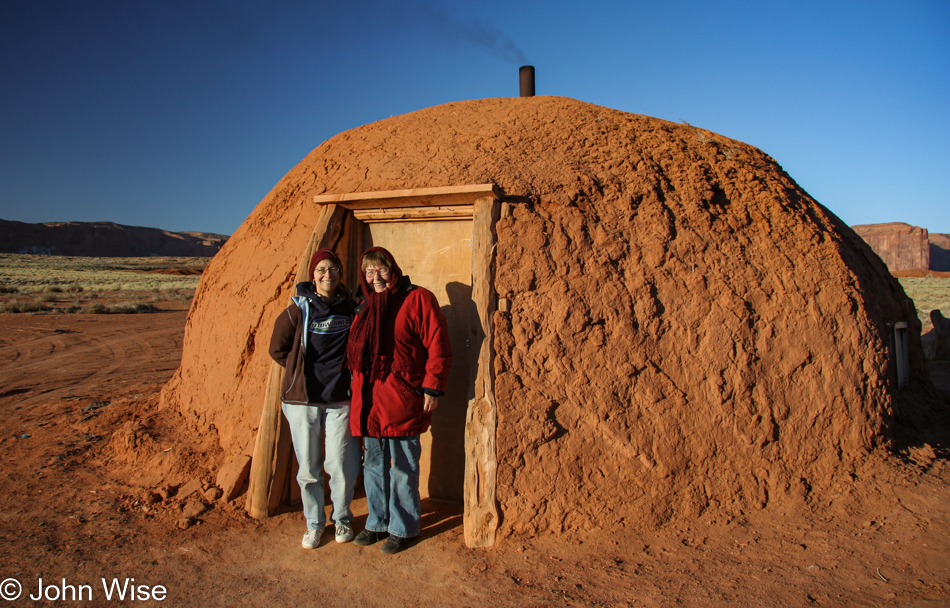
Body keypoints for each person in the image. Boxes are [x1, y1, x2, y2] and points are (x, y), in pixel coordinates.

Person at [345, 247, 452, 555]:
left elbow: (438, 344)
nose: (375, 276)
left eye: (380, 270)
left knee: (403, 465)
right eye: (369, 272)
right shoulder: (364, 306)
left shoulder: (418, 298)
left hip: (402, 397)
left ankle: (404, 528)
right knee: (374, 464)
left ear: (392, 269)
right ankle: (378, 522)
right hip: (369, 401)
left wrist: (433, 387)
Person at [269, 248, 360, 549]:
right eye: (322, 269)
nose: (327, 275)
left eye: (333, 269)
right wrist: (299, 372)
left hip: (340, 398)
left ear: (339, 273)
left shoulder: (349, 307)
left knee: (340, 464)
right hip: (303, 400)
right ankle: (314, 524)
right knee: (309, 468)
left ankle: (342, 518)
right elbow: (277, 348)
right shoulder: (298, 309)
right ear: (313, 274)